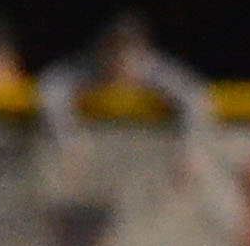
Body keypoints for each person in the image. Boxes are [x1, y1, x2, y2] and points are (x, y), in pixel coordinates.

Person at [38, 9, 216, 145]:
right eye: (111, 51)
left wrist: (189, 150)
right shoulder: (90, 67)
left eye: (125, 52)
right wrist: (69, 139)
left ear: (142, 51)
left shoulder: (152, 68)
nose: (116, 61)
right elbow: (50, 86)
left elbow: (196, 96)